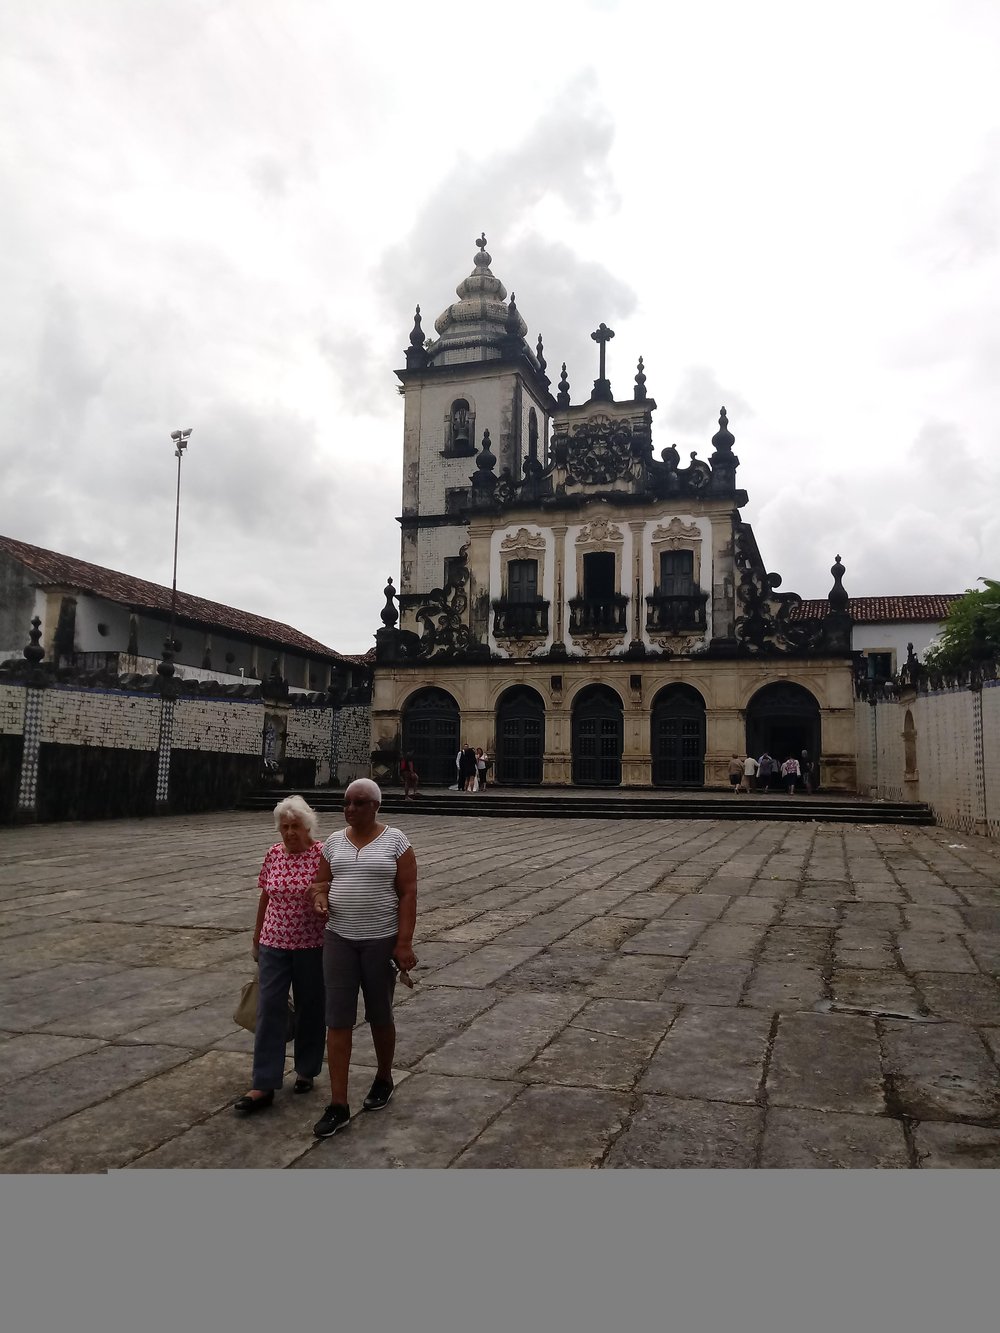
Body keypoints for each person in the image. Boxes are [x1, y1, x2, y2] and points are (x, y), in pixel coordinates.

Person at [309, 779, 417, 1138]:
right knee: (337, 1019)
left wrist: (404, 943)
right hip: (339, 939)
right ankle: (338, 1103)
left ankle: (384, 1077)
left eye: (358, 803)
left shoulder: (396, 841)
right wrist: (320, 899)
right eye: (346, 803)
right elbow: (320, 883)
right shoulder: (334, 843)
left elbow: (408, 893)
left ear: (375, 806)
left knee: (380, 1015)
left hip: (380, 940)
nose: (350, 809)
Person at [234, 795, 327, 1116]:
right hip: (274, 941)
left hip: (312, 945)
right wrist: (257, 938)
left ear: (308, 827)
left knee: (310, 1008)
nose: (289, 833)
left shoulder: (323, 855)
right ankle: (263, 1082)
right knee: (268, 1008)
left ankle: (306, 1069)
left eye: (295, 827)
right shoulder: (273, 854)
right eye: (284, 827)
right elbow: (265, 896)